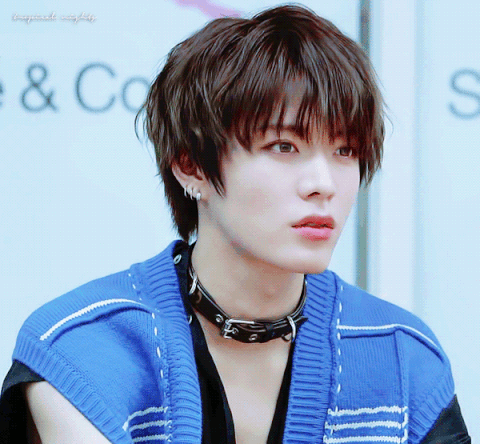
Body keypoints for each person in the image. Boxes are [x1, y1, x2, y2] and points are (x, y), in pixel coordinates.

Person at [0, 4, 471, 444]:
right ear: (191, 166)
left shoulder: (401, 356)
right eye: (284, 147)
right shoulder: (82, 348)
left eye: (344, 150)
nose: (323, 184)